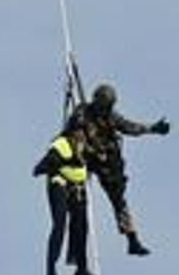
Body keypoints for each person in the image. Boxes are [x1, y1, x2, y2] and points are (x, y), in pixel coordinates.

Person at [66, 83, 170, 257]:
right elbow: (72, 134)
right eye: (104, 106)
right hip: (85, 158)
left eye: (109, 107)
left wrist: (153, 128)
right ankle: (76, 248)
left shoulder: (111, 117)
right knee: (77, 202)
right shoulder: (82, 113)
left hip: (107, 163)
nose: (106, 110)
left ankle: (132, 239)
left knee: (118, 199)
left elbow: (129, 127)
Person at [31, 122, 96, 275]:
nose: (82, 136)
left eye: (84, 134)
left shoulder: (86, 147)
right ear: (72, 132)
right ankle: (51, 266)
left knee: (81, 226)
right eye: (79, 133)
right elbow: (44, 164)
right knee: (60, 223)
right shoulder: (61, 144)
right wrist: (64, 162)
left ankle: (81, 268)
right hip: (59, 184)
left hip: (78, 189)